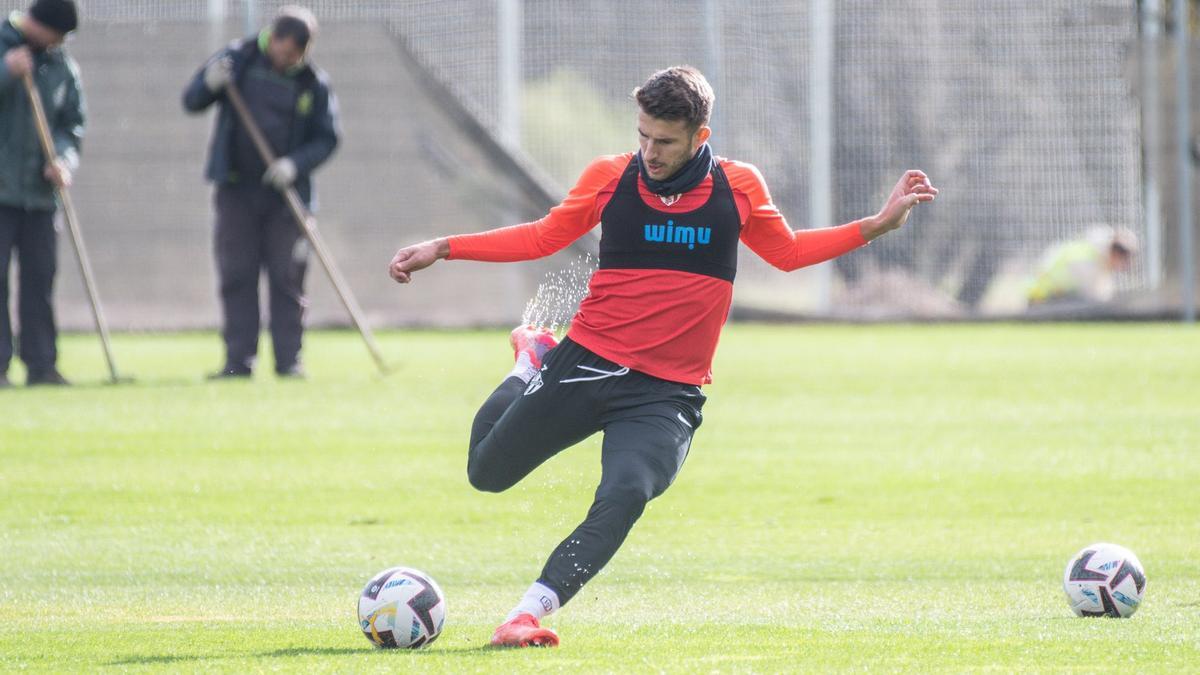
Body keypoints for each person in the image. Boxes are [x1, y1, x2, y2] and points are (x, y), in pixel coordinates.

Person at [388, 66, 937, 648]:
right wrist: (444, 247)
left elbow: (790, 253)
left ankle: (527, 614)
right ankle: (531, 359)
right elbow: (544, 236)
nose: (649, 151)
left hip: (665, 393)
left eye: (665, 140)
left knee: (627, 491)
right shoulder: (610, 177)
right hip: (586, 360)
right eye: (643, 135)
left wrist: (877, 225)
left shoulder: (737, 186)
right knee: (486, 473)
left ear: (701, 135)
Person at [183, 5, 339, 379]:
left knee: (287, 278)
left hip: (287, 197)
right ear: (275, 38)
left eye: (297, 57)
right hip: (236, 190)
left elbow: (327, 138)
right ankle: (239, 362)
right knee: (237, 274)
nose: (290, 62)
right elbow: (192, 101)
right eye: (286, 54)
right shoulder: (237, 59)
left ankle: (289, 362)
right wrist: (209, 83)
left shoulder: (312, 82)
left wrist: (294, 165)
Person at [0, 0, 83, 388]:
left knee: (40, 279)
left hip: (39, 194)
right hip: (1, 192)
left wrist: (63, 159)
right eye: (58, 33)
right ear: (40, 24)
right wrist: (5, 73)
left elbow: (72, 124)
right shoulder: (4, 46)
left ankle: (41, 364)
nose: (60, 41)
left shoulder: (61, 65)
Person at [1025, 225, 1138, 307]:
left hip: (1050, 294)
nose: (1124, 266)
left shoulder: (1096, 252)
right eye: (1124, 260)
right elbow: (1095, 297)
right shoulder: (1087, 263)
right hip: (1042, 297)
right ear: (1115, 254)